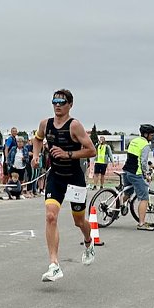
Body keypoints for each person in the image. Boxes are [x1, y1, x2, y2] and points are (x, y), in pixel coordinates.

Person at [32, 89, 97, 282]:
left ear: (70, 105)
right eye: (54, 102)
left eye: (61, 102)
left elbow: (91, 150)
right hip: (56, 176)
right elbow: (37, 138)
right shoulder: (46, 124)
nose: (57, 105)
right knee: (51, 216)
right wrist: (35, 156)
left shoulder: (75, 126)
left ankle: (88, 241)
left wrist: (68, 154)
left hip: (74, 177)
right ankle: (54, 265)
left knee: (79, 221)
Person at [122, 124, 154, 231]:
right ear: (146, 135)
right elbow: (142, 162)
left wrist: (149, 163)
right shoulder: (145, 145)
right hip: (135, 173)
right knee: (144, 197)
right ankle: (141, 223)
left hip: (127, 170)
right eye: (152, 135)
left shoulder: (134, 141)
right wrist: (146, 174)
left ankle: (113, 210)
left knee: (127, 193)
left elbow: (136, 156)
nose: (153, 137)